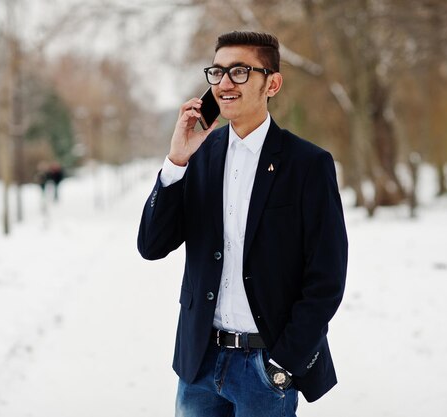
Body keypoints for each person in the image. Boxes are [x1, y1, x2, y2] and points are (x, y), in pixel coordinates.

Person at [137, 31, 348, 416]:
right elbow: (152, 245)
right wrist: (176, 161)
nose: (224, 84)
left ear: (273, 83)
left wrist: (282, 363)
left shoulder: (308, 165)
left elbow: (327, 278)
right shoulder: (200, 156)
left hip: (265, 370)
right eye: (216, 73)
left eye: (239, 71)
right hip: (199, 365)